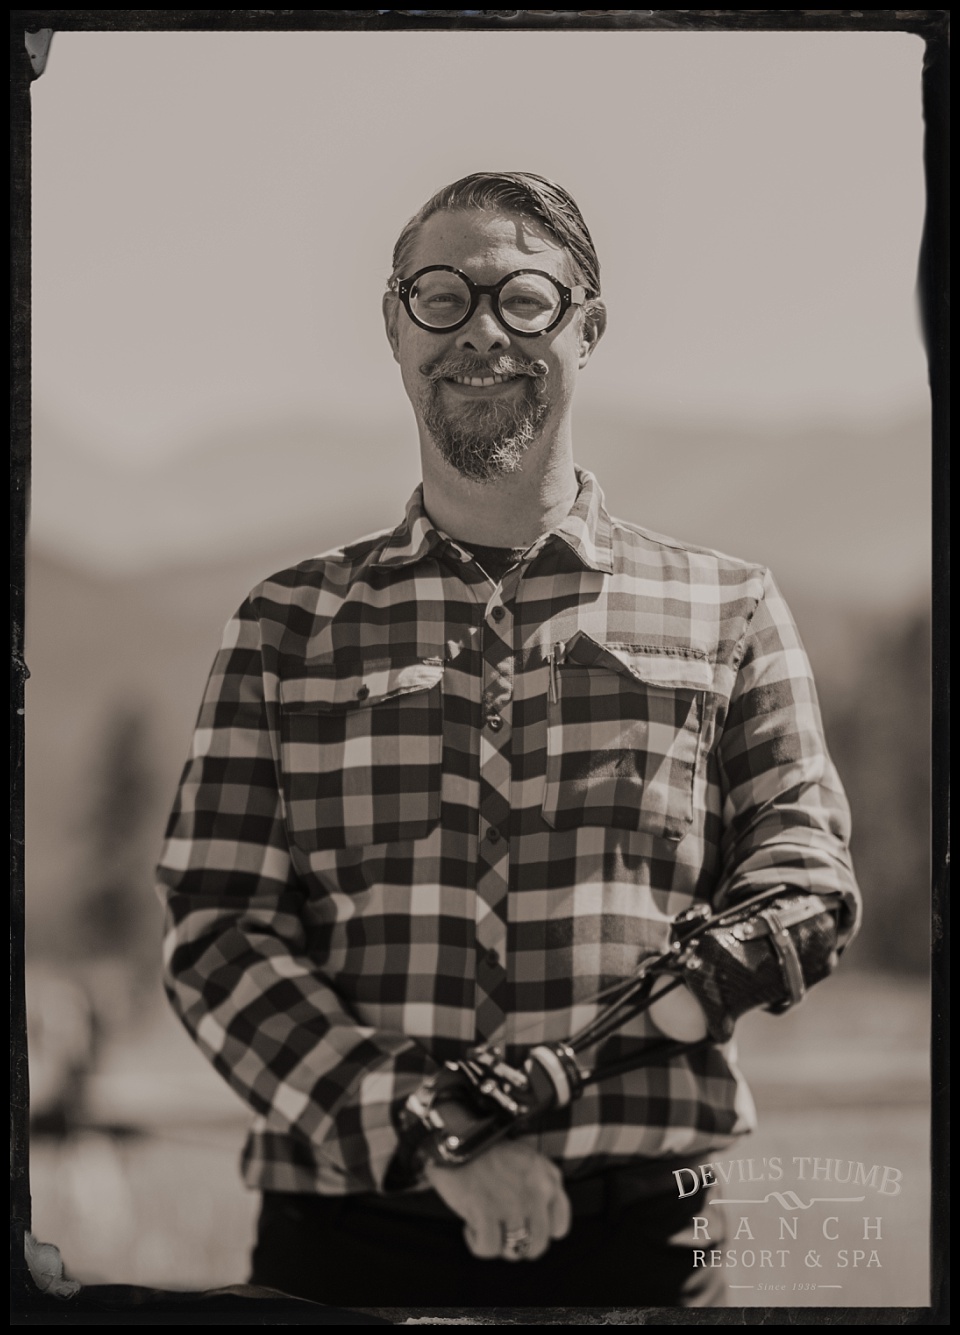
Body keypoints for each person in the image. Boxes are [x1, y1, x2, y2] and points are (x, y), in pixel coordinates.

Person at [155, 171, 861, 1309]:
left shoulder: (730, 609)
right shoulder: (286, 626)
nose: (480, 329)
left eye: (524, 299)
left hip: (639, 1243)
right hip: (345, 1243)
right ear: (393, 327)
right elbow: (220, 935)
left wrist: (704, 984)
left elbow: (805, 876)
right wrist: (432, 1129)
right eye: (440, 297)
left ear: (589, 328)